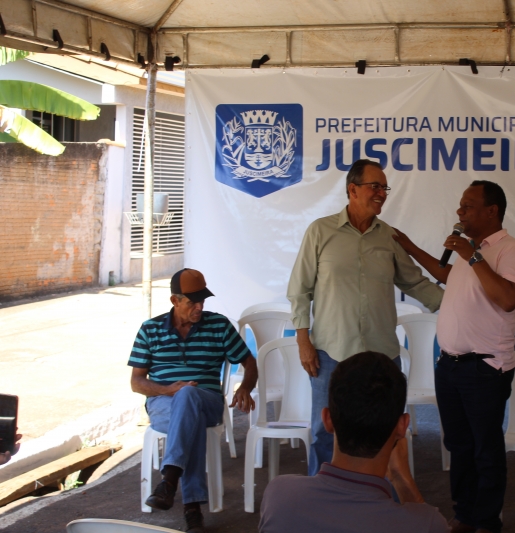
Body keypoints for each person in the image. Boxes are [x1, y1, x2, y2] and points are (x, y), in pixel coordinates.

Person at [287, 159, 443, 476]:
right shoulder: (320, 231)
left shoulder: (389, 237)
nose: (382, 193)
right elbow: (300, 290)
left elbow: (414, 283)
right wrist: (303, 340)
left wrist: (458, 304)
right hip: (330, 352)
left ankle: (379, 499)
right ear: (353, 190)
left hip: (381, 354)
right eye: (375, 186)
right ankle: (320, 499)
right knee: (323, 432)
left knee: (385, 434)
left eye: (384, 187)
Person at [393, 180, 515, 533]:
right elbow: (445, 274)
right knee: (459, 446)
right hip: (451, 365)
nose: (460, 212)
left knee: (485, 449)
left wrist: (472, 255)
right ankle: (466, 515)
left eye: (468, 206)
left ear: (492, 211)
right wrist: (409, 246)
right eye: (460, 205)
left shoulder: (510, 250)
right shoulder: (472, 252)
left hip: (484, 367)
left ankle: (487, 522)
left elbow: (507, 298)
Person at [258, 351, 449, 533]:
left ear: (327, 419)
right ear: (402, 426)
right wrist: (400, 477)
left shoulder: (279, 497)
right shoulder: (427, 524)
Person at [129, 268, 257, 533]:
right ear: (174, 300)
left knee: (189, 396)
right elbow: (137, 382)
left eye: (202, 301)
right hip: (163, 404)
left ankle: (169, 479)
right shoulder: (150, 330)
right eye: (192, 302)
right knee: (189, 413)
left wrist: (245, 386)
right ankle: (192, 508)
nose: (199, 307)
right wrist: (168, 390)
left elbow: (250, 362)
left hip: (207, 401)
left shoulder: (218, 325)